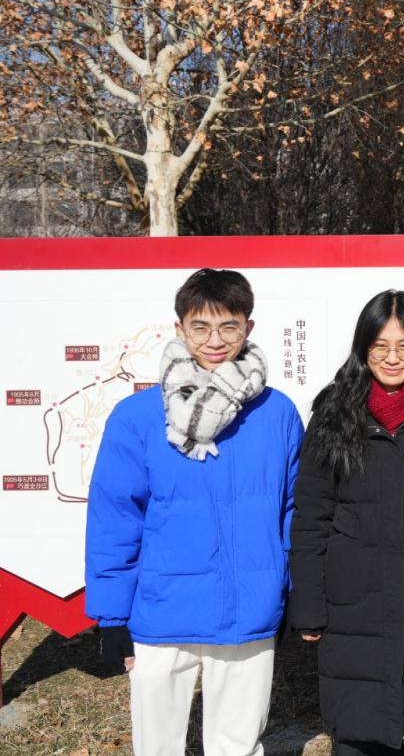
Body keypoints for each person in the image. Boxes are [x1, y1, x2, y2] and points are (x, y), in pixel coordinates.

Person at [85, 268, 303, 756]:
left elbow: (293, 511)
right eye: (200, 327)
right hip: (162, 609)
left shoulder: (277, 413)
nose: (215, 340)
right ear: (180, 329)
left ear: (248, 327)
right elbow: (115, 518)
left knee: (237, 744)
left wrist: (292, 589)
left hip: (249, 607)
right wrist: (112, 615)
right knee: (157, 745)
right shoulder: (138, 416)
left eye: (229, 326)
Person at [288, 290, 404, 756]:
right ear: (363, 348)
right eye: (380, 346)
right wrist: (308, 604)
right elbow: (311, 517)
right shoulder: (333, 415)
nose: (392, 358)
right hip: (354, 602)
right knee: (359, 724)